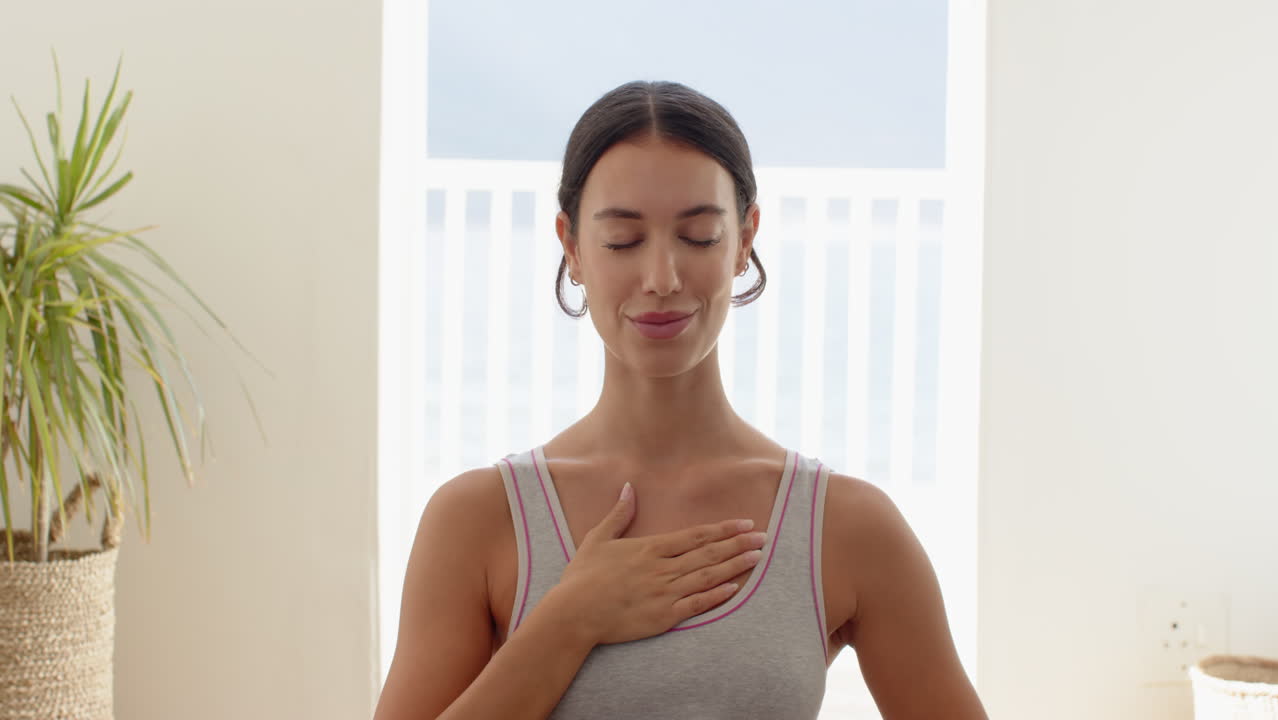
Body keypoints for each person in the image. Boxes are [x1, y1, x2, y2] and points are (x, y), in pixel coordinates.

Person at [373, 80, 989, 720]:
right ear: (572, 246)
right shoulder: (477, 519)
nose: (662, 278)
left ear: (745, 239)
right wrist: (567, 622)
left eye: (698, 236)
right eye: (622, 240)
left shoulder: (851, 527)